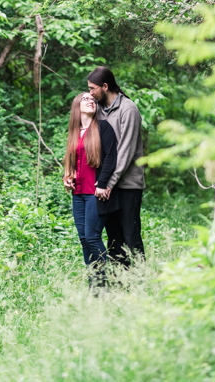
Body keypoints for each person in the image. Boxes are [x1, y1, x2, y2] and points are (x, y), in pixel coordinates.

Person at [87, 66, 145, 265]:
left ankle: (139, 281)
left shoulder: (128, 109)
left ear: (105, 86)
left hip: (127, 185)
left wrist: (108, 183)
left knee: (130, 235)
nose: (90, 93)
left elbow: (125, 152)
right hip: (107, 186)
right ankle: (119, 284)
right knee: (113, 239)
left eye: (93, 89)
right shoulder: (100, 110)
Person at [62, 93, 119, 284]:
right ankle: (94, 286)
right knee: (84, 239)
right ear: (77, 106)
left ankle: (109, 280)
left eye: (93, 100)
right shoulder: (74, 131)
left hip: (95, 193)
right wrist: (67, 176)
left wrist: (103, 184)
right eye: (86, 99)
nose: (91, 101)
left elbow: (111, 157)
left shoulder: (103, 128)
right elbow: (72, 161)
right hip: (78, 194)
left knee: (92, 237)